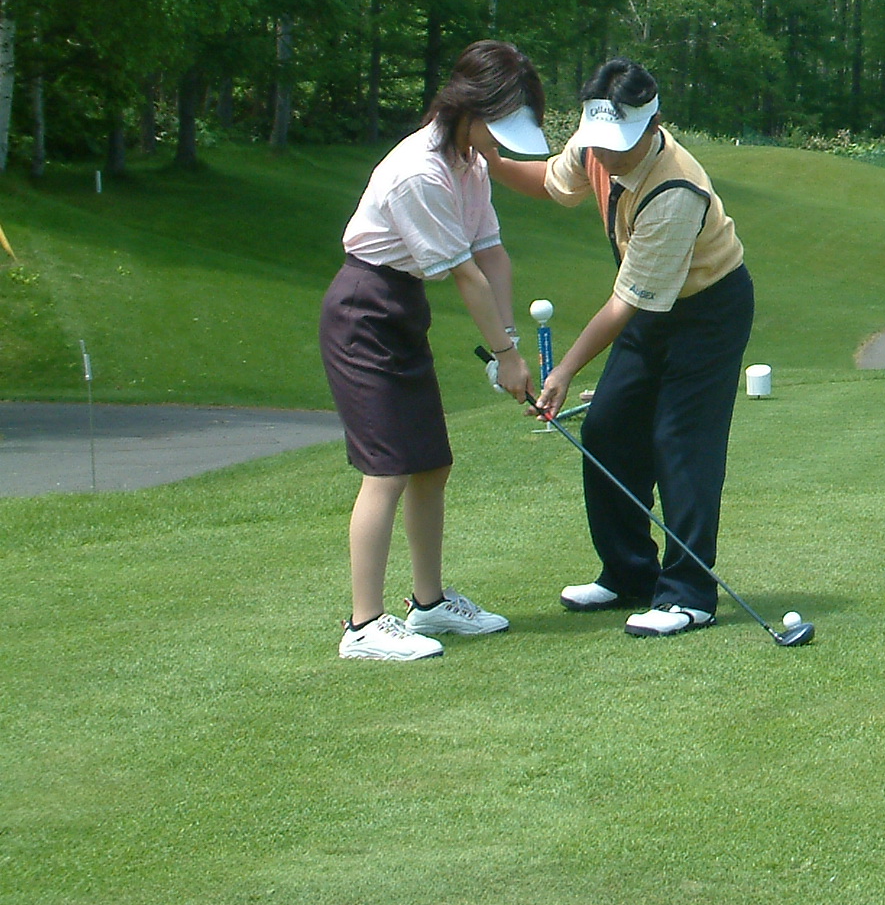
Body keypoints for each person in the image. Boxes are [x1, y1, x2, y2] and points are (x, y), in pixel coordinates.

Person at [486, 58, 753, 637]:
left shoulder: (676, 190)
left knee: (680, 440)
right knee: (607, 430)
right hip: (652, 303)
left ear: (652, 124)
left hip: (708, 310)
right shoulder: (595, 145)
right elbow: (551, 184)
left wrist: (563, 371)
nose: (605, 156)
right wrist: (487, 162)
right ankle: (629, 573)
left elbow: (624, 304)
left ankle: (689, 595)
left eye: (619, 144)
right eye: (598, 143)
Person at [320, 40, 550, 661]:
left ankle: (429, 605)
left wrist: (510, 346)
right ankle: (363, 626)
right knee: (387, 469)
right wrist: (504, 355)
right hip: (364, 311)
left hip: (401, 308)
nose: (501, 142)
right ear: (466, 109)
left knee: (430, 463)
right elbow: (465, 276)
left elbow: (492, 255)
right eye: (497, 126)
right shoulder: (419, 172)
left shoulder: (470, 164)